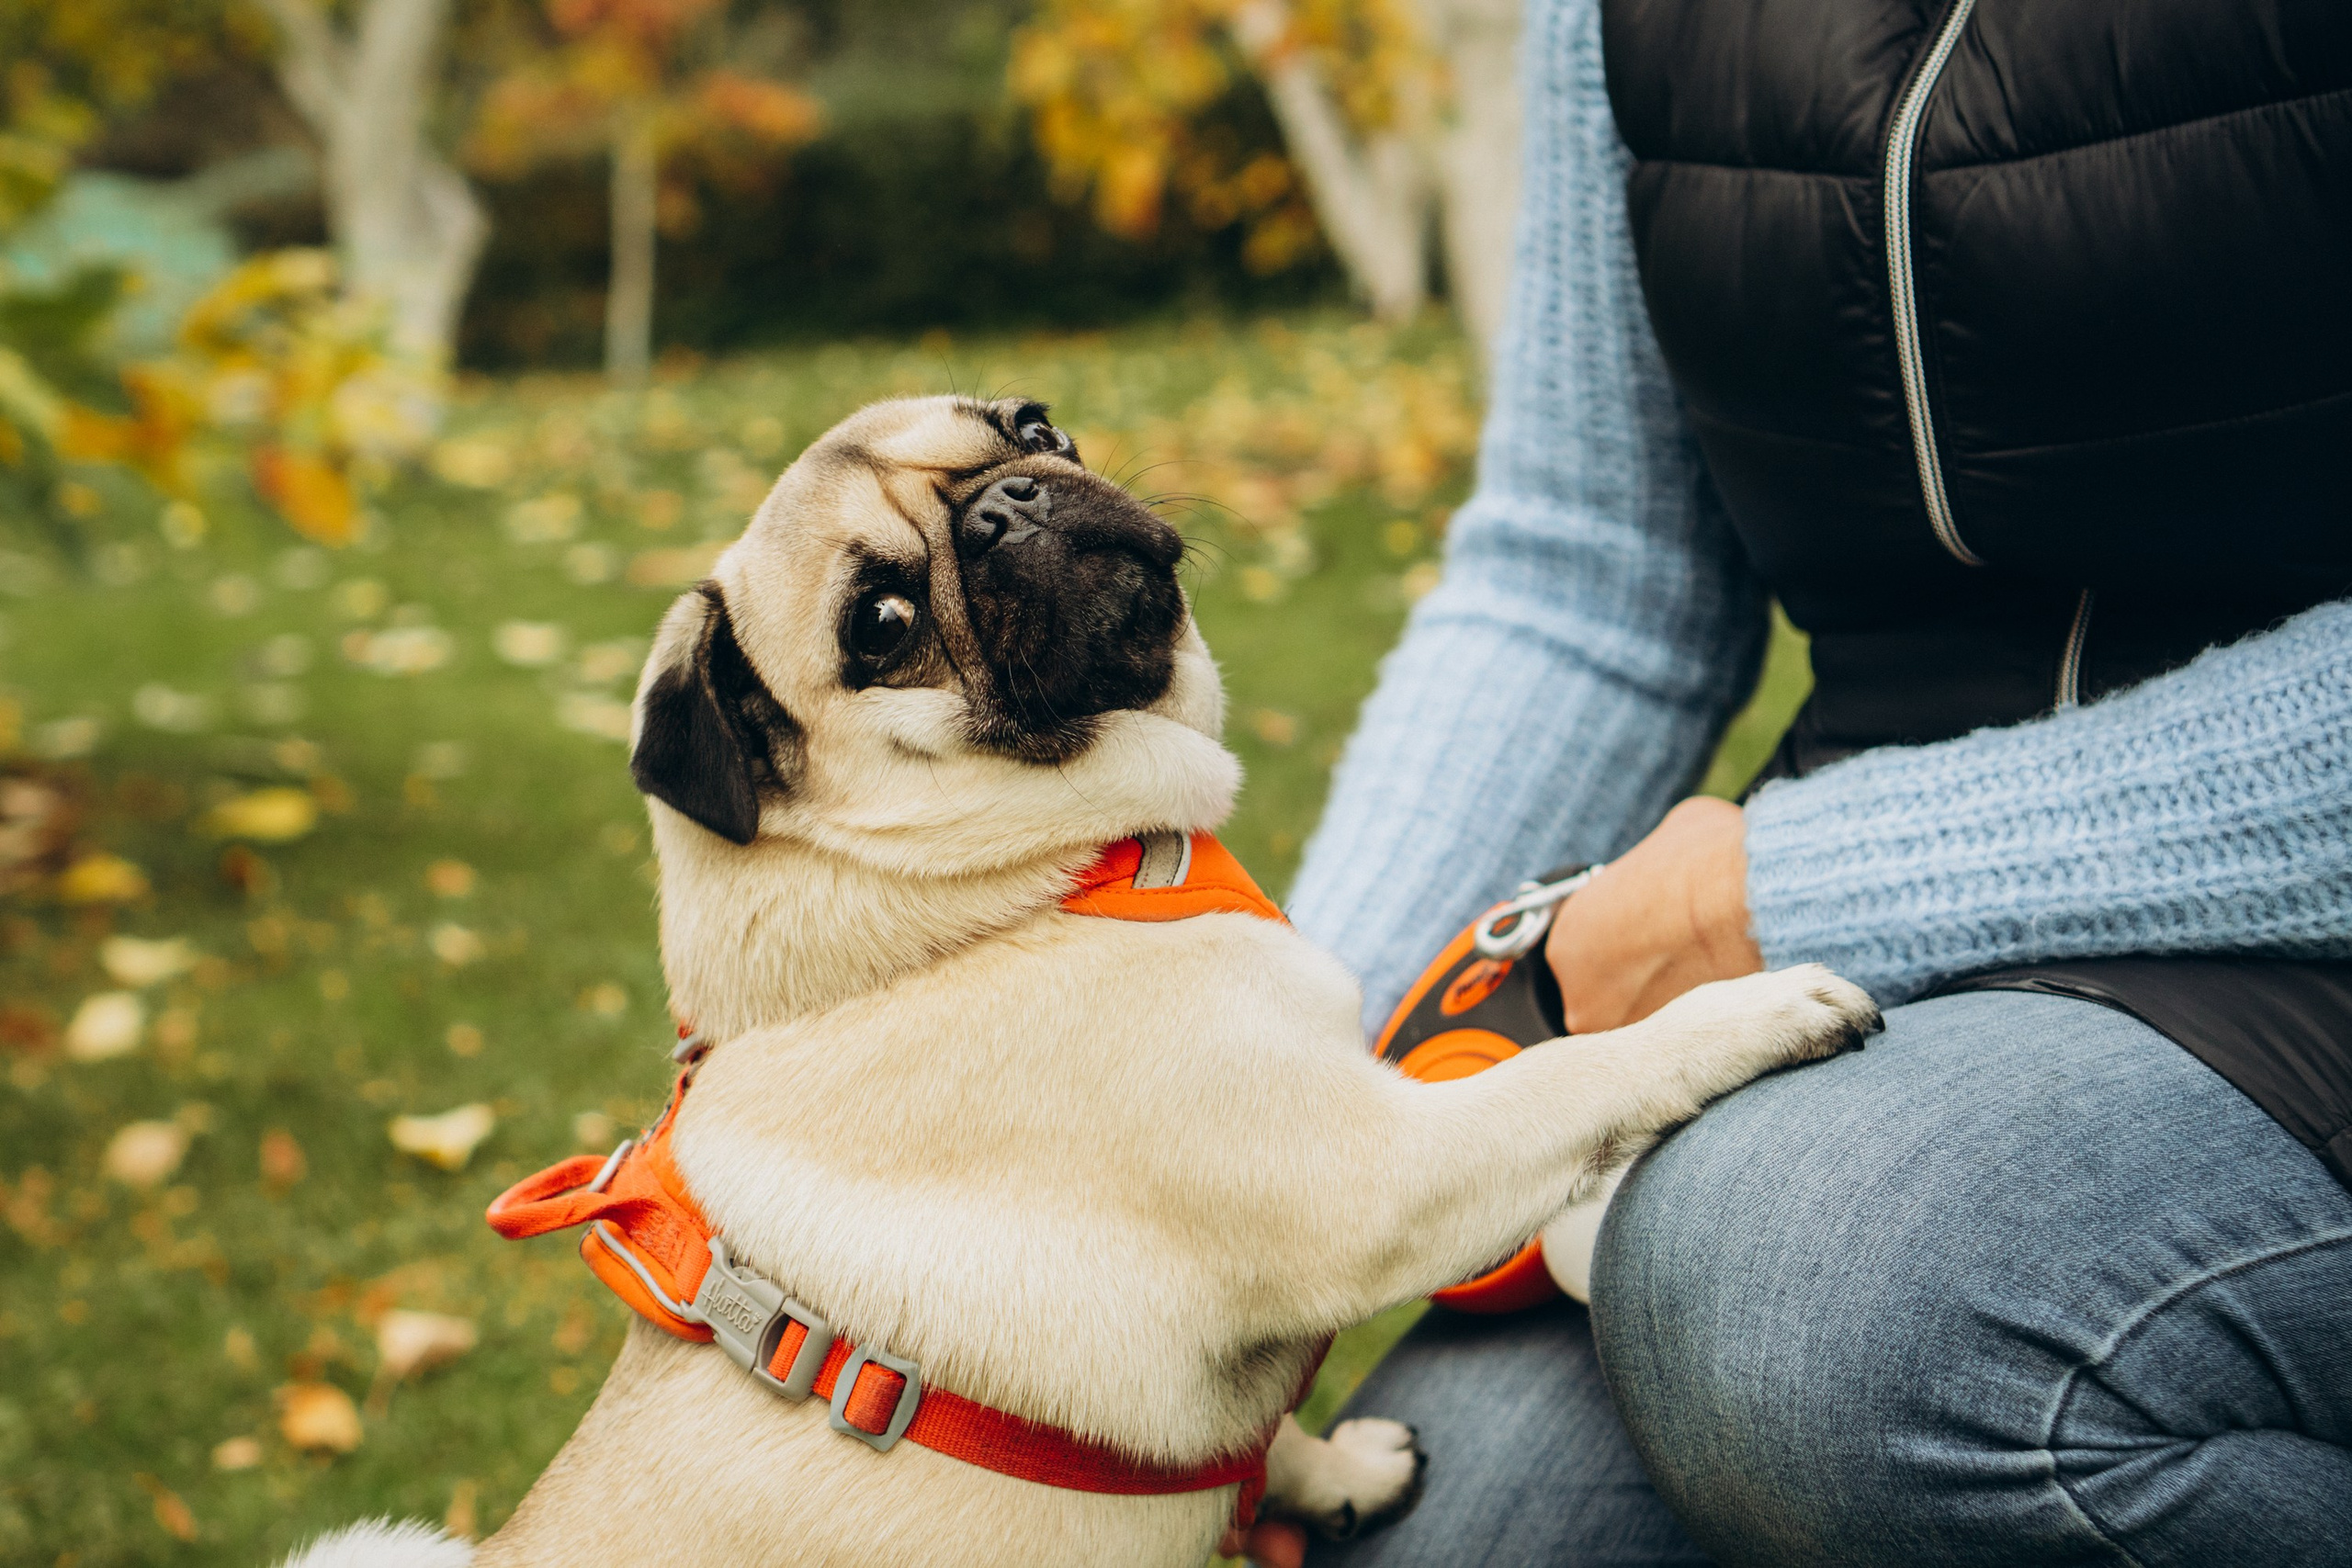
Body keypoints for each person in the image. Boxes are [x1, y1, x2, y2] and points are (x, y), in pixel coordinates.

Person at [1242, 0, 2352, 1562]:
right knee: (1433, 1534)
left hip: (2291, 958)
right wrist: (1259, 1118)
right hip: (1893, 989)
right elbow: (1589, 578)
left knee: (1812, 1299)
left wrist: (1761, 893)